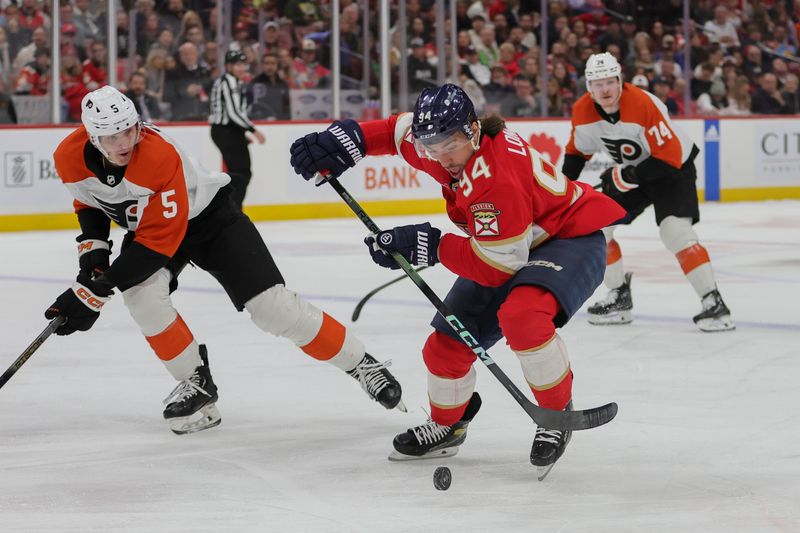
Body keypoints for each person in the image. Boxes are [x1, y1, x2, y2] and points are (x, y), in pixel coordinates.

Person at [288, 84, 625, 477]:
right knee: (444, 348)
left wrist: (429, 246)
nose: (443, 156)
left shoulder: (494, 177)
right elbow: (398, 132)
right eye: (432, 145)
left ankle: (554, 416)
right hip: (508, 244)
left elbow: (498, 267)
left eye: (451, 143)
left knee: (523, 317)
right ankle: (449, 425)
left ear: (474, 129)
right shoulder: (440, 145)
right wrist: (348, 140)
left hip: (568, 238)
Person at [44, 86, 404, 436]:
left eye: (129, 130)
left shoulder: (156, 156)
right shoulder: (68, 156)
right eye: (112, 137)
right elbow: (90, 203)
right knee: (142, 296)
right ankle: (195, 385)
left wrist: (92, 293)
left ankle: (362, 364)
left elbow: (155, 245)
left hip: (210, 220)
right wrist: (93, 263)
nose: (124, 142)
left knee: (272, 309)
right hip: (153, 225)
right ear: (92, 138)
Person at [562, 53, 735, 332]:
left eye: (609, 82)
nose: (605, 89)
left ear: (620, 81)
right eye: (597, 83)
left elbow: (667, 159)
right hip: (637, 172)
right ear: (588, 87)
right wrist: (561, 190)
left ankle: (714, 302)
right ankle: (618, 297)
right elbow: (576, 153)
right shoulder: (583, 111)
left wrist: (625, 175)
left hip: (673, 170)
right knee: (598, 227)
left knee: (675, 232)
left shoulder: (642, 103)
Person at [209, 50, 266, 210]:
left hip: (229, 131)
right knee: (241, 173)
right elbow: (233, 113)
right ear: (228, 66)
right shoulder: (229, 82)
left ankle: (231, 209)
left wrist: (241, 133)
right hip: (225, 130)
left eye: (242, 64)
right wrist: (252, 130)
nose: (241, 68)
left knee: (238, 173)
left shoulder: (233, 81)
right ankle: (233, 210)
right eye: (237, 64)